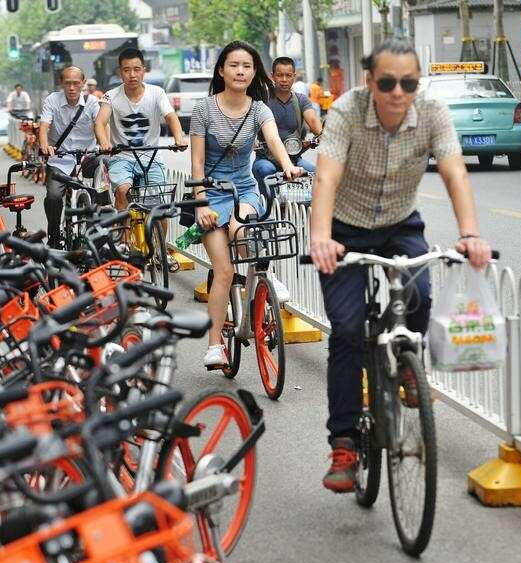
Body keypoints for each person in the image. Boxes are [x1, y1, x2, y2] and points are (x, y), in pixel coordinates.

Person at [308, 39, 491, 492]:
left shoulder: (431, 113)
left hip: (398, 222)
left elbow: (454, 172)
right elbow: (327, 175)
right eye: (387, 82)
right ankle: (345, 444)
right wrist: (321, 237)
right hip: (344, 230)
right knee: (348, 331)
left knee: (420, 294)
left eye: (408, 83)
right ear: (369, 81)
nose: (397, 92)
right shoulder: (347, 112)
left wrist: (469, 233)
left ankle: (409, 367)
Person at [189, 40, 303, 369]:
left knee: (244, 233)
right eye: (234, 65)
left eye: (247, 66)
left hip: (243, 189)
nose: (241, 71)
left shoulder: (258, 109)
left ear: (254, 73)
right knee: (223, 271)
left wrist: (287, 166)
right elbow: (196, 164)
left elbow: (274, 141)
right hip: (210, 192)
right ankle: (214, 346)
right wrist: (201, 204)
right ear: (222, 70)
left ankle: (265, 276)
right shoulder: (204, 109)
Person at [95, 48, 187, 268]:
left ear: (144, 70)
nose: (132, 74)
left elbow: (171, 116)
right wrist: (104, 143)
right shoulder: (111, 95)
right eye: (127, 70)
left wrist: (178, 137)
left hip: (151, 157)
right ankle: (126, 242)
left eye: (137, 69)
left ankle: (161, 250)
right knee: (123, 191)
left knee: (158, 205)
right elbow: (100, 122)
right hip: (122, 157)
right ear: (120, 72)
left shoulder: (157, 93)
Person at [39, 66, 107, 248]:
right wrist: (45, 146)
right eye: (67, 83)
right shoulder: (52, 100)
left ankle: (102, 227)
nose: (71, 87)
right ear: (61, 83)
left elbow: (99, 124)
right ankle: (53, 235)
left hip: (87, 158)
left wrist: (104, 144)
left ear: (82, 83)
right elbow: (44, 126)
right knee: (53, 196)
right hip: (60, 160)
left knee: (104, 172)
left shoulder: (92, 101)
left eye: (76, 83)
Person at [252, 56, 323, 195]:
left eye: (288, 75)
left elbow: (314, 122)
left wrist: (322, 136)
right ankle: (268, 208)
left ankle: (309, 209)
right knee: (266, 171)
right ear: (272, 76)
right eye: (280, 75)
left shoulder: (301, 100)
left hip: (295, 159)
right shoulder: (261, 100)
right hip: (266, 159)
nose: (284, 79)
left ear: (294, 77)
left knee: (316, 174)